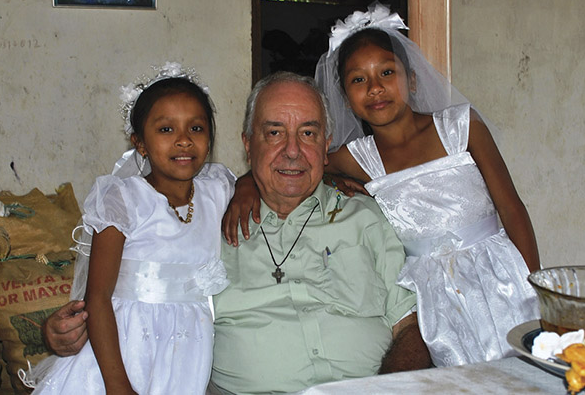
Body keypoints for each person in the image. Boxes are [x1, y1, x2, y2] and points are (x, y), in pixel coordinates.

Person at [41, 71, 431, 394]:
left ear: (327, 145)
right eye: (274, 133)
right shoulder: (210, 221)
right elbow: (117, 290)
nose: (293, 151)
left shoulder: (364, 216)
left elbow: (411, 326)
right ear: (248, 144)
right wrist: (60, 332)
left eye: (308, 134)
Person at [223, 3, 540, 368]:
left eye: (387, 72)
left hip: (499, 279)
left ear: (413, 79)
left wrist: (534, 288)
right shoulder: (355, 158)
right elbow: (292, 162)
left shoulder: (460, 127)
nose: (375, 88)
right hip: (433, 300)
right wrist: (245, 184)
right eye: (358, 79)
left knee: (526, 370)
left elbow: (512, 208)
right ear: (344, 97)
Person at [22, 63, 235, 394]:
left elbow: (259, 185)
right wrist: (117, 384)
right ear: (141, 143)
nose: (183, 141)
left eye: (196, 128)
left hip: (186, 351)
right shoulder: (123, 199)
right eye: (166, 130)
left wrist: (247, 187)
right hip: (123, 348)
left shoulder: (218, 190)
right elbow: (99, 295)